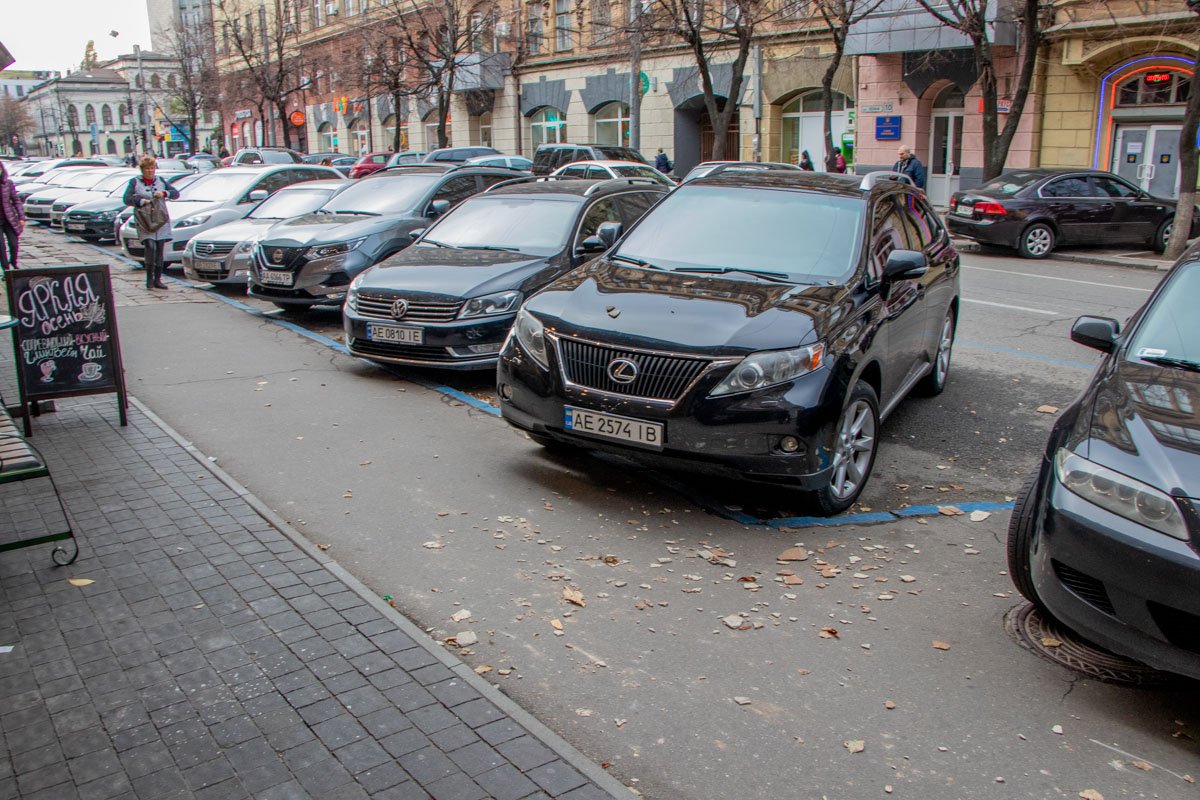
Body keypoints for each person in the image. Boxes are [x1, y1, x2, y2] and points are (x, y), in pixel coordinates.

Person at [123, 156, 180, 291]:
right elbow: (127, 198)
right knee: (150, 246)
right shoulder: (135, 182)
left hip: (160, 219)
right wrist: (141, 201)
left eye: (152, 168)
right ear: (142, 170)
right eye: (147, 169)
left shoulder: (160, 181)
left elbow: (176, 193)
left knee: (160, 249)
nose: (150, 171)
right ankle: (149, 278)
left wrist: (164, 193)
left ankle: (157, 279)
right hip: (145, 219)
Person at [0, 161, 25, 271]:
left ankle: (13, 262)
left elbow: (16, 201)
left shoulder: (8, 183)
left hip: (9, 219)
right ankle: (6, 269)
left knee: (13, 243)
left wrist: (21, 217)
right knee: (1, 247)